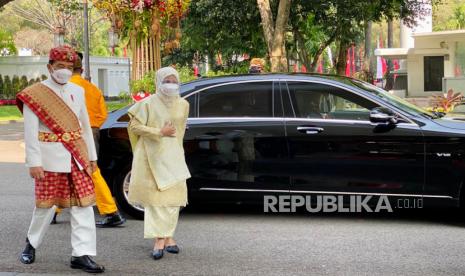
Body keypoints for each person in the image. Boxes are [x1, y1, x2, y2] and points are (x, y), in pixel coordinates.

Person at [17, 45, 105, 273]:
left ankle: (81, 255)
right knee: (45, 207)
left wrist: (91, 156)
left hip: (77, 157)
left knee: (83, 207)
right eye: (60, 67)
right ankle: (31, 244)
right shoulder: (34, 94)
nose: (64, 71)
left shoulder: (78, 91)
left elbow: (84, 126)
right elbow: (30, 131)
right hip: (49, 160)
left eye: (69, 67)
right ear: (50, 67)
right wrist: (33, 162)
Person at [49, 54, 126, 228]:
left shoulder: (66, 88)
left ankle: (110, 211)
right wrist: (93, 127)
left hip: (71, 133)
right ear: (82, 70)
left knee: (68, 169)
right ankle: (53, 210)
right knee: (85, 170)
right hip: (92, 131)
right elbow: (103, 114)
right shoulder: (92, 89)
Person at [127, 66, 190, 260]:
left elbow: (180, 131)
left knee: (173, 199)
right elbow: (134, 126)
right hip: (151, 157)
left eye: (173, 81)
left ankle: (169, 237)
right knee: (155, 201)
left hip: (174, 156)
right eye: (166, 81)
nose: (170, 85)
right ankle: (159, 240)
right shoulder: (147, 103)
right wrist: (158, 133)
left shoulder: (184, 104)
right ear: (158, 82)